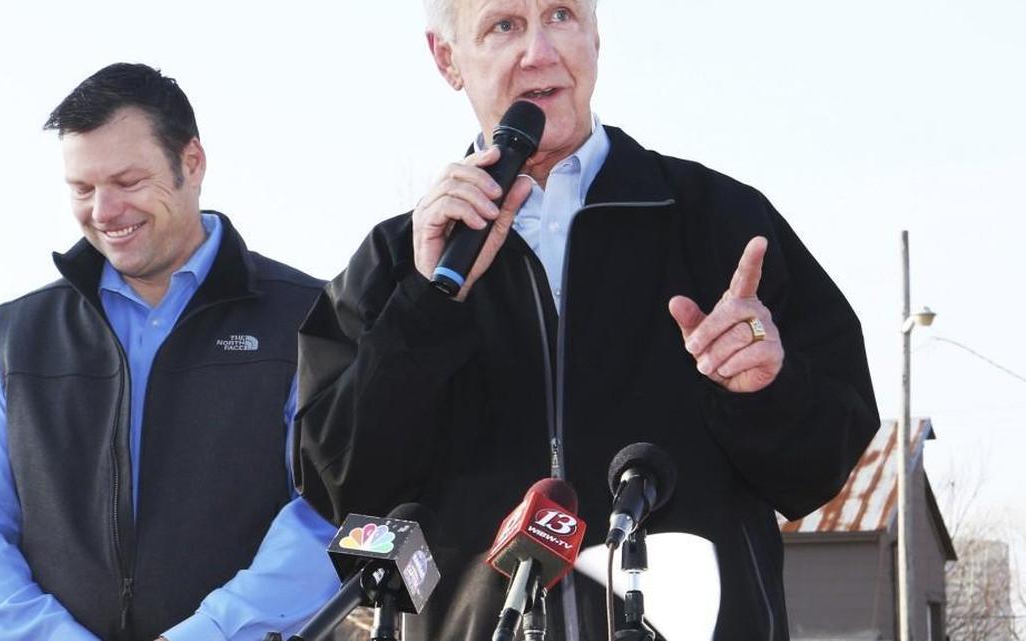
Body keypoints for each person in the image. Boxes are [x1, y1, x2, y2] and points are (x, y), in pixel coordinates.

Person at [292, 2, 880, 640]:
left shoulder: (716, 222)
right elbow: (337, 483)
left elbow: (821, 465)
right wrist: (427, 306)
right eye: (504, 26)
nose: (539, 51)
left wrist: (767, 389)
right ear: (447, 58)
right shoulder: (394, 262)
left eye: (562, 15)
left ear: (597, 34)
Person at [0, 63, 340, 641]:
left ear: (192, 163)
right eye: (82, 189)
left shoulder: (308, 319)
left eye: (127, 182)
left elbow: (324, 512)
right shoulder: (15, 336)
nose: (103, 212)